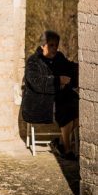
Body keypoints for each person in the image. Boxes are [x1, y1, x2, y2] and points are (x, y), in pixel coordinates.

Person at [21, 29, 79, 158]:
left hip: (59, 98)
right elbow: (37, 82)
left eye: (56, 45)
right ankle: (66, 149)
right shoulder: (33, 61)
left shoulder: (59, 57)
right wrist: (58, 80)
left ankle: (60, 143)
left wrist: (82, 68)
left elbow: (70, 68)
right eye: (51, 45)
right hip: (40, 100)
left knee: (79, 106)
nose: (54, 48)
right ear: (42, 46)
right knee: (66, 109)